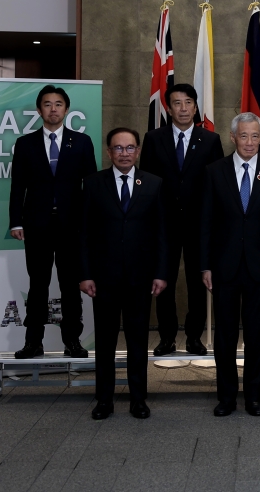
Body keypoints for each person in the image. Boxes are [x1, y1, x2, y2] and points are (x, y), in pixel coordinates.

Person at [201, 113, 260, 418]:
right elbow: (206, 222)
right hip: (223, 267)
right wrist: (205, 266)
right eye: (244, 135)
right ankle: (226, 397)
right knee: (225, 336)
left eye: (255, 136)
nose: (249, 142)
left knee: (255, 335)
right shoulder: (214, 171)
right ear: (233, 137)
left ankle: (253, 397)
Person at [79, 128, 168, 420]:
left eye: (130, 148)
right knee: (105, 341)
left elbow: (161, 233)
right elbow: (84, 233)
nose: (124, 153)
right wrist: (85, 274)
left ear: (138, 151)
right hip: (103, 278)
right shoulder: (93, 183)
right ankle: (104, 400)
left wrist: (161, 273)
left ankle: (138, 399)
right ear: (109, 152)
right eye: (118, 148)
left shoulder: (153, 183)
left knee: (138, 341)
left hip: (140, 278)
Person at [9, 85, 97, 359]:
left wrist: (90, 223)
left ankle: (73, 341)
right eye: (47, 104)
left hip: (71, 226)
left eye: (58, 104)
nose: (53, 109)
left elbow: (91, 186)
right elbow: (17, 186)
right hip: (37, 225)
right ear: (39, 110)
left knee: (70, 284)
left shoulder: (82, 142)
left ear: (66, 109)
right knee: (38, 284)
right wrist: (16, 221)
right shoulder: (25, 144)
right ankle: (33, 342)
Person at [139, 83, 224, 357]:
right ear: (168, 108)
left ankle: (194, 337)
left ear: (196, 107)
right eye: (177, 103)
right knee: (163, 280)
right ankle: (166, 338)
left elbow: (218, 184)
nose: (183, 108)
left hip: (200, 224)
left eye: (188, 102)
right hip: (163, 224)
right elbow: (146, 181)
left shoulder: (210, 140)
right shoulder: (154, 138)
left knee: (198, 282)